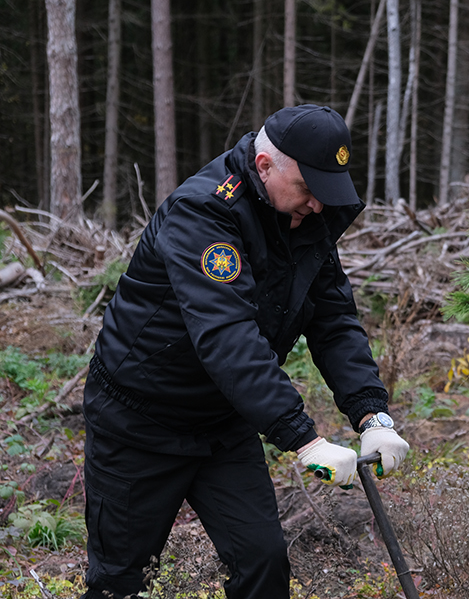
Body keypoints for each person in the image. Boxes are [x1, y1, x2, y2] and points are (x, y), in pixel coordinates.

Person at [80, 104, 410, 599]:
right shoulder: (203, 212)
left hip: (222, 422)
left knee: (264, 563)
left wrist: (372, 414)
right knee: (120, 582)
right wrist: (304, 438)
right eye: (307, 189)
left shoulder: (305, 218)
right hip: (138, 422)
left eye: (326, 192)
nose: (318, 206)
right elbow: (226, 337)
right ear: (264, 167)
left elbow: (334, 320)